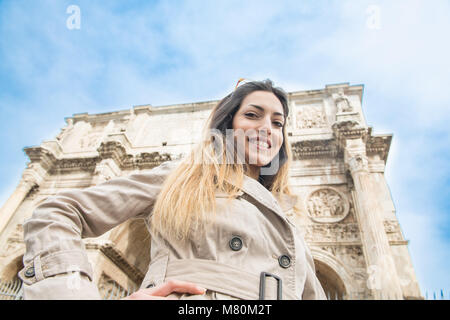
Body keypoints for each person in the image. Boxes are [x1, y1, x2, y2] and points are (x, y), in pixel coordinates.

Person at [18, 79, 327, 300]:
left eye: (277, 123)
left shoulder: (288, 221)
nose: (266, 129)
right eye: (252, 115)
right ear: (226, 124)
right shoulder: (183, 177)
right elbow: (55, 213)